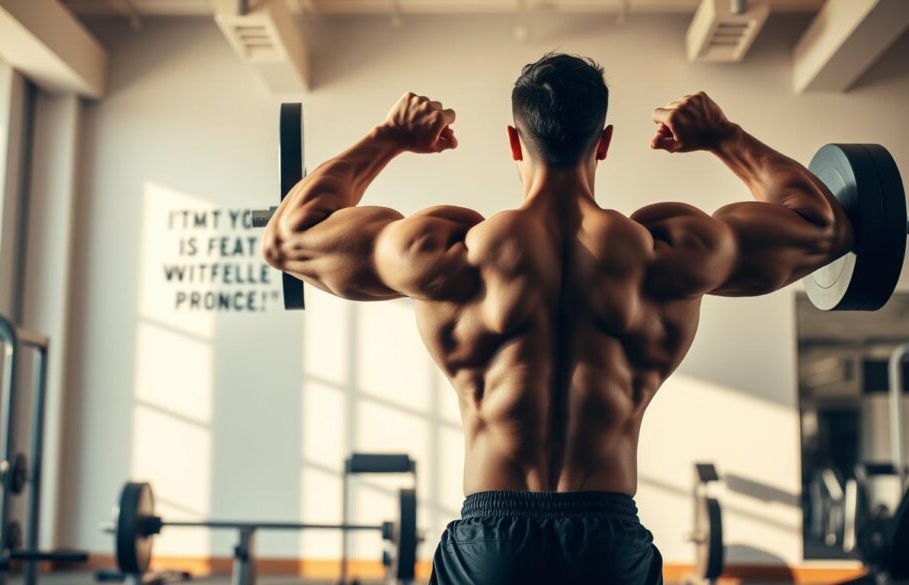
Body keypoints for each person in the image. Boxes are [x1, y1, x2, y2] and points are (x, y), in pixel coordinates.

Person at [261, 53, 853, 584]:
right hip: (607, 541)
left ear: (514, 142)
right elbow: (821, 228)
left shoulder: (446, 252)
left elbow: (288, 239)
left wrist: (388, 137)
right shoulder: (673, 250)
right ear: (605, 141)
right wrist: (724, 136)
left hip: (491, 542)